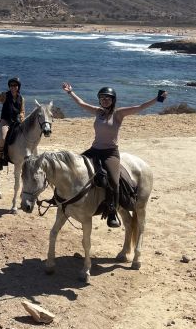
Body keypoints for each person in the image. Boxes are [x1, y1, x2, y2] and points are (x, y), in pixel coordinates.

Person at [62, 82, 167, 228]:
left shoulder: (118, 114)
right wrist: (70, 92)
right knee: (73, 167)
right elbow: (81, 103)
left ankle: (112, 212)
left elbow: (139, 107)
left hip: (110, 153)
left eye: (108, 98)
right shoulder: (98, 111)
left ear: (113, 100)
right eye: (102, 98)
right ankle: (63, 198)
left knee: (114, 181)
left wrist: (156, 99)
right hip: (94, 150)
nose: (105, 100)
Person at [0, 77, 25, 170]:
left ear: (18, 87)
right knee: (3, 138)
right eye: (11, 85)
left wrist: (21, 117)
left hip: (16, 122)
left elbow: (22, 111)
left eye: (15, 85)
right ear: (9, 87)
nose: (13, 87)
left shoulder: (22, 98)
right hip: (5, 121)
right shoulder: (4, 95)